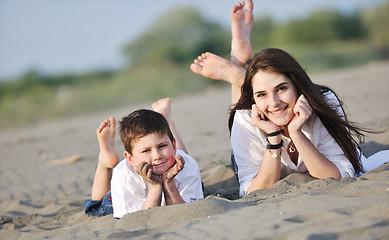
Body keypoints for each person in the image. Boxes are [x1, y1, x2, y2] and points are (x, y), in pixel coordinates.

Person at [190, 1, 388, 197]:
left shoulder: (324, 102)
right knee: (241, 110)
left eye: (282, 88)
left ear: (297, 85)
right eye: (262, 94)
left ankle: (239, 72)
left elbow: (339, 175)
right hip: (255, 130)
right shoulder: (246, 117)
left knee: (258, 100)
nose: (274, 101)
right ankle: (239, 66)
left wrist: (297, 133)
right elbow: (252, 191)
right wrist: (274, 140)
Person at [84, 98, 204, 218]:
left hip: (177, 176)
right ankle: (104, 162)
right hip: (135, 202)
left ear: (173, 145)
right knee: (98, 205)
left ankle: (168, 123)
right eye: (146, 150)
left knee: (182, 158)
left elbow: (186, 212)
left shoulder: (188, 164)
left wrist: (169, 183)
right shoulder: (124, 176)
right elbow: (139, 220)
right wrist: (156, 185)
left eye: (162, 146)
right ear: (131, 159)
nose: (157, 156)